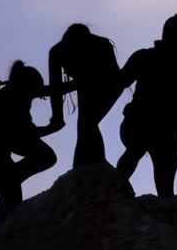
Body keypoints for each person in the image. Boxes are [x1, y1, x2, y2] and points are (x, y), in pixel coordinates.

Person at [116, 14, 177, 197]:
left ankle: (164, 210)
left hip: (169, 129)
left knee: (165, 183)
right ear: (169, 32)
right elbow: (118, 83)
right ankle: (112, 192)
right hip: (140, 121)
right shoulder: (145, 57)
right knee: (134, 152)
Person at [0, 61, 64, 208]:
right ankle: (2, 179)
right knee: (46, 157)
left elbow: (50, 90)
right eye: (35, 88)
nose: (37, 93)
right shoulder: (13, 100)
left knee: (11, 195)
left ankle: (2, 180)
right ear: (27, 85)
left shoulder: (12, 93)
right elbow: (25, 134)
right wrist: (51, 128)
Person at [48, 23, 122, 166]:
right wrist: (57, 116)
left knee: (87, 125)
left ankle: (90, 167)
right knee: (86, 126)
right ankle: (89, 167)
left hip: (110, 85)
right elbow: (55, 87)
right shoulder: (57, 51)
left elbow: (112, 78)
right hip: (91, 85)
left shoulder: (101, 45)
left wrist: (57, 117)